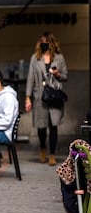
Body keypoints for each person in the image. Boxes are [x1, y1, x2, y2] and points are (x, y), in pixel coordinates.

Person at [25, 32, 68, 166]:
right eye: (42, 41)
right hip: (40, 97)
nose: (44, 43)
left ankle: (52, 154)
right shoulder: (35, 58)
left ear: (52, 43)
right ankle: (43, 148)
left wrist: (57, 73)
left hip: (54, 96)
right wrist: (28, 97)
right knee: (41, 126)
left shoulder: (59, 58)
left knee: (53, 125)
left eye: (47, 41)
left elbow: (66, 76)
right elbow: (30, 77)